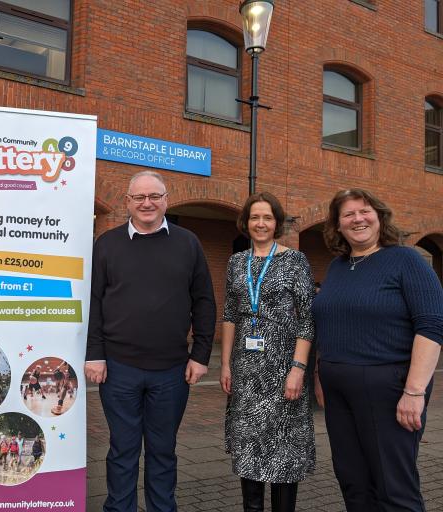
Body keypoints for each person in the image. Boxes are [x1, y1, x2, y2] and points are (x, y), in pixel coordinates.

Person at [85, 170, 216, 512]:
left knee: (162, 450)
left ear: (166, 201)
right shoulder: (107, 244)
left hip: (172, 371)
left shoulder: (188, 243)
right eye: (139, 197)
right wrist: (94, 354)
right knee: (123, 449)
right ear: (127, 202)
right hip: (118, 369)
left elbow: (204, 301)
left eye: (154, 196)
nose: (147, 203)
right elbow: (94, 301)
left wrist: (201, 354)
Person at [312, 188, 443, 511]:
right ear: (338, 226)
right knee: (353, 480)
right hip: (337, 388)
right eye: (348, 214)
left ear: (380, 217)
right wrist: (318, 374)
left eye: (364, 211)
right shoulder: (338, 267)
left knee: (393, 486)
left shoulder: (406, 260)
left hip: (389, 387)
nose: (358, 218)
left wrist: (414, 391)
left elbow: (431, 326)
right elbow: (328, 324)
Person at [220, 192, 315, 512]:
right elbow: (231, 314)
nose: (261, 223)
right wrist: (226, 365)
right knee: (249, 444)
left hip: (283, 366)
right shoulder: (236, 262)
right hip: (247, 370)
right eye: (255, 218)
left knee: (284, 445)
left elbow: (306, 318)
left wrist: (298, 368)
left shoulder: (294, 260)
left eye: (267, 218)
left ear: (277, 223)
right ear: (246, 223)